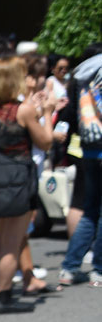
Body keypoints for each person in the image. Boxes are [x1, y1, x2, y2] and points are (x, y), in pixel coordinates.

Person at [0, 55, 53, 313]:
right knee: (13, 241)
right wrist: (49, 114)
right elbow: (45, 141)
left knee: (0, 238)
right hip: (19, 176)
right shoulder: (23, 110)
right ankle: (4, 295)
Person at [58, 44, 102, 287]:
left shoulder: (80, 74)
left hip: (88, 147)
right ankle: (99, 270)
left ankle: (69, 268)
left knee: (90, 210)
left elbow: (72, 112)